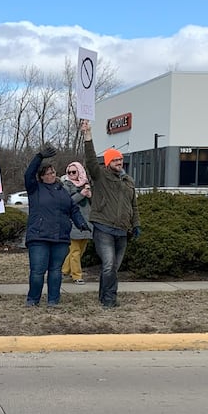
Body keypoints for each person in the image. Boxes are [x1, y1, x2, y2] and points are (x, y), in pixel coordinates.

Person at [81, 119, 140, 307]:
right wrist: (87, 135)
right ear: (108, 162)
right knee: (108, 265)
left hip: (122, 231)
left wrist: (136, 224)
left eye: (120, 159)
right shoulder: (100, 175)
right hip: (104, 228)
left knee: (114, 268)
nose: (119, 162)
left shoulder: (128, 180)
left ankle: (105, 296)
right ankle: (109, 300)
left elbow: (134, 205)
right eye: (115, 160)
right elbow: (90, 160)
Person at [24, 143, 90, 307]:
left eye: (53, 172)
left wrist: (81, 223)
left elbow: (72, 209)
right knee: (38, 272)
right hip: (39, 237)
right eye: (48, 173)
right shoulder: (35, 189)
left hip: (60, 237)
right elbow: (28, 174)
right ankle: (33, 299)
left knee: (55, 271)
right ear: (41, 177)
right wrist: (39, 156)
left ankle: (53, 300)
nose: (52, 174)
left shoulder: (62, 190)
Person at [61, 160, 93, 285]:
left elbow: (95, 203)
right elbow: (67, 202)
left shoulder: (86, 184)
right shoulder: (66, 185)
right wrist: (81, 194)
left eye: (74, 172)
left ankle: (64, 270)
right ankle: (77, 276)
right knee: (75, 251)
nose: (71, 174)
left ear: (79, 171)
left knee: (81, 250)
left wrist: (90, 195)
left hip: (87, 222)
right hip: (73, 222)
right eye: (69, 172)